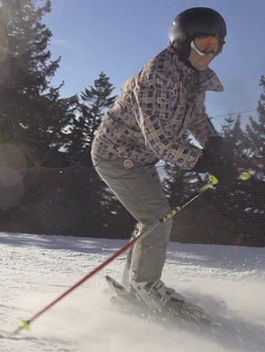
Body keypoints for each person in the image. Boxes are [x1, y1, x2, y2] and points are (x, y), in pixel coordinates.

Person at [91, 7, 237, 311]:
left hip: (138, 157)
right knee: (156, 216)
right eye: (205, 44)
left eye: (218, 46)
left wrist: (214, 143)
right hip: (116, 154)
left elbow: (196, 117)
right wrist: (204, 162)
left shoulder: (193, 77)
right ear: (184, 42)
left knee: (152, 217)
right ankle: (145, 287)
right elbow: (159, 142)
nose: (211, 53)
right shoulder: (158, 76)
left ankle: (135, 286)